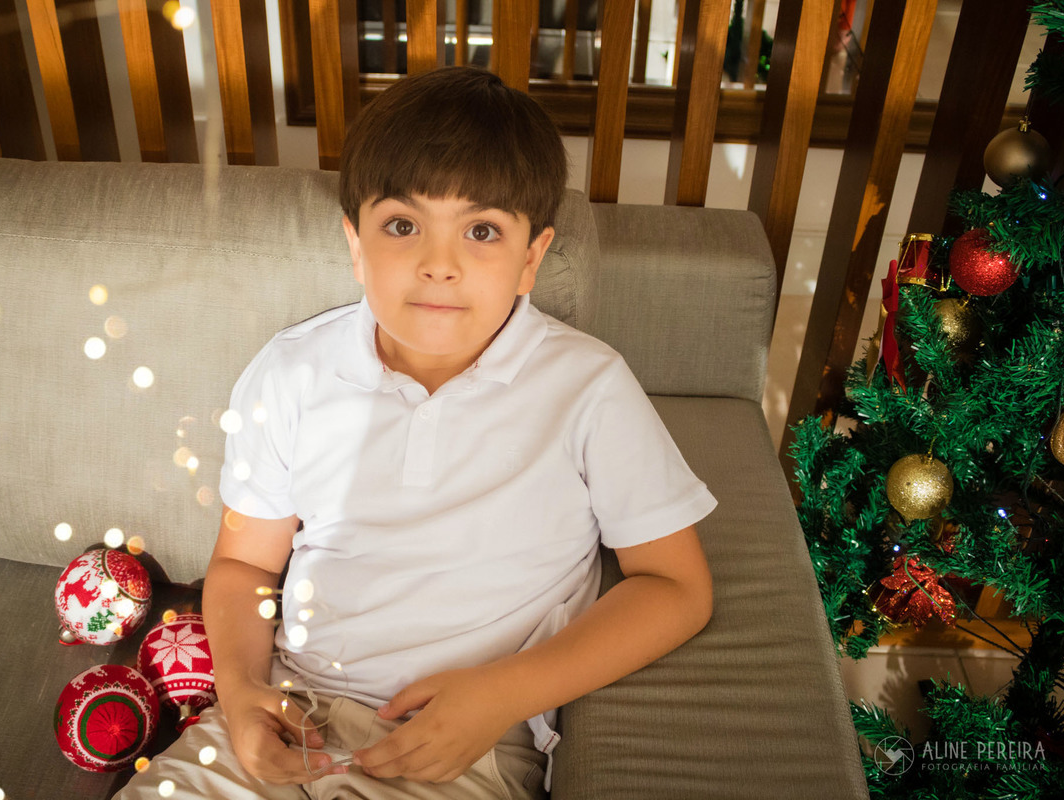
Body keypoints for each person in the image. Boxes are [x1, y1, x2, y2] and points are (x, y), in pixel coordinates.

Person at [116, 65, 716, 800]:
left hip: (467, 749)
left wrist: (502, 695)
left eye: (482, 231)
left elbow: (676, 587)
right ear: (355, 242)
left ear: (531, 258)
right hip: (288, 719)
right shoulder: (293, 371)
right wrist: (238, 696)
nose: (439, 265)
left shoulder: (588, 388)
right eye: (403, 226)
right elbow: (244, 568)